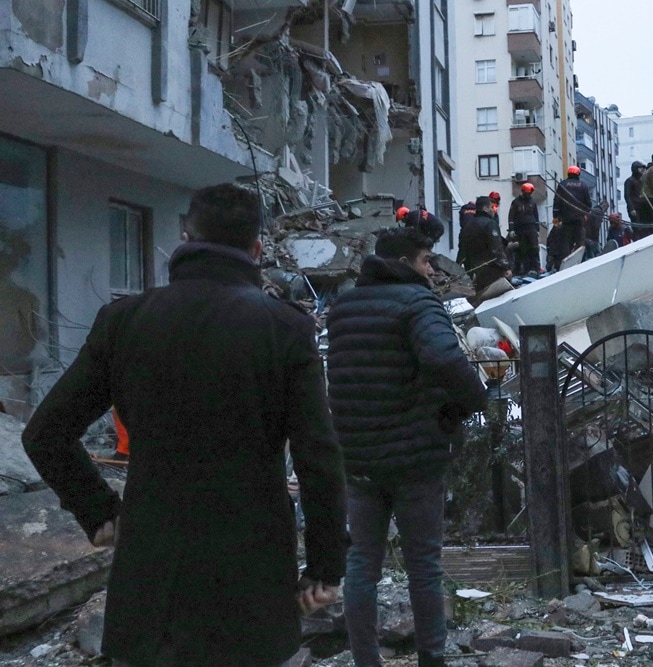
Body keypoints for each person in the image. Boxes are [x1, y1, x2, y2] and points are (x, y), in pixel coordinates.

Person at [22, 184, 347, 667]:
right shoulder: (285, 328)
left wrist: (98, 511)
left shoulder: (124, 321)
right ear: (257, 250)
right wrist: (325, 566)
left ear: (186, 238)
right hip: (251, 574)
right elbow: (317, 456)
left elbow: (45, 433)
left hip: (153, 574)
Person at [327, 227, 489, 667]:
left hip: (358, 457)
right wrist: (473, 400)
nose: (431, 269)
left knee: (362, 563)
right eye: (425, 260)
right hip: (415, 458)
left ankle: (365, 659)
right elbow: (444, 357)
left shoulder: (342, 309)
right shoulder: (418, 303)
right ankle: (431, 657)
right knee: (423, 565)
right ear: (403, 263)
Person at [459, 195, 511, 295]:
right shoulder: (490, 224)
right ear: (485, 208)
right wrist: (505, 267)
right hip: (490, 269)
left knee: (479, 296)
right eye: (492, 207)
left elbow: (462, 248)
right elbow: (496, 248)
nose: (494, 210)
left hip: (473, 268)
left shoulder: (469, 225)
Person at [552, 165, 592, 255]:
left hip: (565, 219)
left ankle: (566, 257)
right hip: (579, 219)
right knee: (580, 240)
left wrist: (555, 216)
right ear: (578, 174)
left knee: (565, 241)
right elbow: (588, 204)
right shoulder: (583, 186)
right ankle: (580, 257)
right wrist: (585, 214)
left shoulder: (562, 184)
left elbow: (557, 201)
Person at [507, 182, 541, 276]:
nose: (529, 195)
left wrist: (537, 230)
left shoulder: (532, 202)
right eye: (527, 193)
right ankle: (523, 270)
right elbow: (511, 217)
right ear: (523, 192)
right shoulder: (516, 203)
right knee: (522, 249)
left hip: (531, 228)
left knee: (534, 248)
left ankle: (535, 268)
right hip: (520, 229)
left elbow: (536, 216)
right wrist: (511, 230)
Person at [623, 161, 646, 237]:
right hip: (634, 208)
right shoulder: (629, 181)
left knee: (643, 228)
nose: (642, 170)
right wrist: (631, 208)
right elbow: (627, 195)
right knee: (637, 228)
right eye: (640, 168)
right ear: (635, 169)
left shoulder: (640, 181)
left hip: (641, 207)